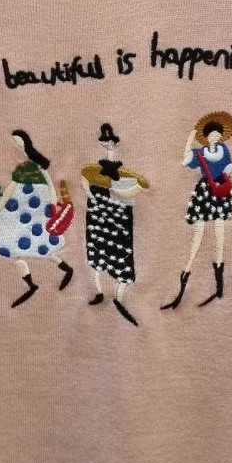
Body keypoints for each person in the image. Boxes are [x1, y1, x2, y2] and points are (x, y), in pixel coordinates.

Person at [161, 112, 232, 311]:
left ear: (221, 136)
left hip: (220, 192)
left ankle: (219, 288)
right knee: (198, 236)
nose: (215, 137)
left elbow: (231, 171)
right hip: (205, 193)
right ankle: (182, 289)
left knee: (220, 237)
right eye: (211, 135)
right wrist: (190, 138)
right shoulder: (200, 153)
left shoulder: (224, 150)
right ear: (206, 137)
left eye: (217, 135)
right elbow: (186, 159)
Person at [0, 129, 74, 307]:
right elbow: (11, 187)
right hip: (18, 208)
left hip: (39, 207)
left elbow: (50, 187)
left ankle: (66, 269)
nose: (17, 147)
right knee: (16, 248)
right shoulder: (22, 168)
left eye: (19, 143)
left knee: (42, 244)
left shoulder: (40, 168)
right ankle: (31, 285)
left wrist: (52, 204)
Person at [80, 122, 150, 326]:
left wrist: (115, 193)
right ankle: (100, 292)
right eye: (106, 142)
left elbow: (140, 186)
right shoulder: (92, 170)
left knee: (120, 254)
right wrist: (92, 197)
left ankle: (119, 298)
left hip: (118, 214)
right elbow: (84, 180)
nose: (108, 145)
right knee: (96, 252)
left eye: (111, 142)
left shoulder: (125, 174)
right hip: (99, 212)